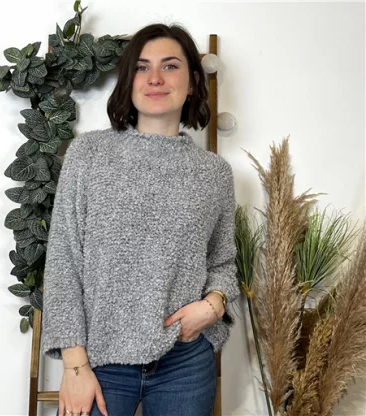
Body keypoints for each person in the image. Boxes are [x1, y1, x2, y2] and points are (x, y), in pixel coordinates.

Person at [41, 22, 239, 416]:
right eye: (142, 67)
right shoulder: (88, 154)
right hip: (98, 361)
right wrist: (74, 366)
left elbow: (222, 261)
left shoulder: (214, 173)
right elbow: (63, 262)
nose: (155, 78)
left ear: (193, 82)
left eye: (170, 66)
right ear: (128, 81)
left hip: (185, 361)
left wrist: (213, 305)